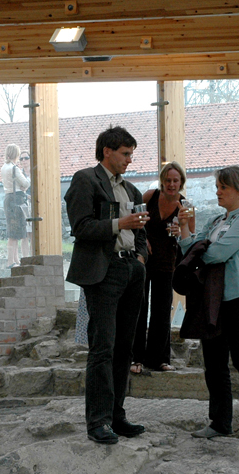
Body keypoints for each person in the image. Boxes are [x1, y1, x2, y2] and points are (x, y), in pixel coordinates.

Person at [64, 126, 148, 445]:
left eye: (131, 154)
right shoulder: (85, 179)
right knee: (103, 346)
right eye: (125, 154)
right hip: (103, 269)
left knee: (125, 346)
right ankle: (97, 421)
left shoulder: (131, 191)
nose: (129, 160)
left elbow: (140, 231)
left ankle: (116, 415)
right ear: (107, 152)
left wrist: (139, 257)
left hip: (131, 269)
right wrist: (118, 224)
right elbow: (81, 226)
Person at [178, 166, 239, 441]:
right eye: (217, 187)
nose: (218, 192)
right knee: (214, 363)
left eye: (223, 187)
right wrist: (185, 227)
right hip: (212, 300)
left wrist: (199, 248)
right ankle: (220, 422)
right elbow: (190, 248)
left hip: (237, 299)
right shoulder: (217, 220)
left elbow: (215, 253)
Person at [132, 161, 185, 373]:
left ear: (181, 182)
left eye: (175, 180)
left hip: (167, 263)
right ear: (162, 181)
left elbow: (191, 235)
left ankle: (160, 359)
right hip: (144, 261)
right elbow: (135, 220)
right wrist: (141, 239)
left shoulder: (185, 205)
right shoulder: (150, 196)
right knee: (139, 308)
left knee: (162, 312)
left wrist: (180, 230)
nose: (171, 184)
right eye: (168, 180)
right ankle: (136, 358)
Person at [2, 144, 31, 268]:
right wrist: (28, 179)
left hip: (8, 198)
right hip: (16, 199)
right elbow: (25, 183)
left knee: (12, 230)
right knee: (15, 232)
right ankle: (11, 261)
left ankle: (15, 260)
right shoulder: (14, 168)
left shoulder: (4, 167)